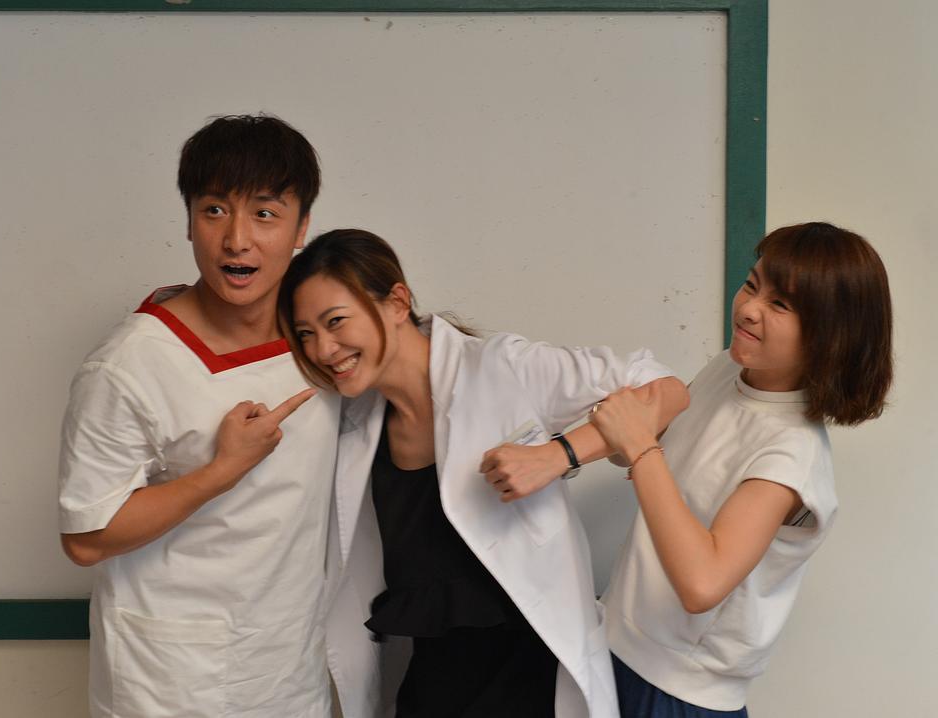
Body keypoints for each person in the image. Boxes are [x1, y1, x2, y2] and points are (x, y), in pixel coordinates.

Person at [277, 228, 690, 718]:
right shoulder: (353, 424)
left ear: (397, 302)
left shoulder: (501, 369)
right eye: (306, 334)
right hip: (431, 686)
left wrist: (559, 455)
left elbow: (664, 389)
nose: (323, 349)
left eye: (336, 321)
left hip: (530, 682)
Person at [57, 114, 340, 718]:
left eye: (265, 213)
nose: (237, 239)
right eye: (214, 210)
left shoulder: (326, 340)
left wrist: (552, 449)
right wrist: (220, 471)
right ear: (188, 221)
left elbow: (445, 372)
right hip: (168, 682)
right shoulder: (128, 365)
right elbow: (85, 539)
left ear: (302, 228)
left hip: (289, 669)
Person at [590, 222, 894, 717]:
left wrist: (641, 449)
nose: (749, 308)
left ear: (830, 336)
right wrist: (601, 447)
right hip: (614, 640)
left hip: (677, 690)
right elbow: (655, 456)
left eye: (780, 304)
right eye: (752, 285)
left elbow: (702, 584)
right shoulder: (729, 370)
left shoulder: (791, 454)